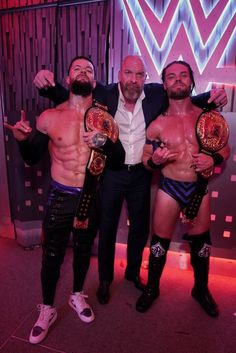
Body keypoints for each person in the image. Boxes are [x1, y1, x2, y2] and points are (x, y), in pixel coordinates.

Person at [33, 55, 228, 306]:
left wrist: (212, 98)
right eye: (128, 73)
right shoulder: (103, 93)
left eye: (139, 75)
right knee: (107, 227)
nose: (133, 80)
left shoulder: (156, 95)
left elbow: (181, 96)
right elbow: (74, 96)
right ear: (119, 75)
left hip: (141, 173)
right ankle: (104, 280)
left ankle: (133, 273)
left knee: (139, 229)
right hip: (111, 172)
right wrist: (48, 87)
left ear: (145, 78)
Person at [4, 56, 124, 344]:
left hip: (89, 197)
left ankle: (76, 295)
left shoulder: (105, 120)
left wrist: (104, 143)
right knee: (52, 255)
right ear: (68, 80)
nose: (83, 72)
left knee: (83, 251)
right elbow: (33, 158)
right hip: (60, 196)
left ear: (94, 82)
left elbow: (119, 160)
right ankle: (47, 308)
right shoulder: (49, 117)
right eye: (77, 69)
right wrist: (22, 140)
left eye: (89, 70)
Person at [135, 60, 230, 317]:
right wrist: (154, 161)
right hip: (169, 187)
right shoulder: (157, 123)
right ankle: (152, 288)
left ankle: (200, 289)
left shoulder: (207, 117)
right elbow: (145, 158)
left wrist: (213, 159)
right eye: (172, 76)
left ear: (191, 81)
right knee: (159, 242)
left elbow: (224, 148)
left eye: (183, 75)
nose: (178, 79)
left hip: (198, 187)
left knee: (202, 244)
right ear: (164, 84)